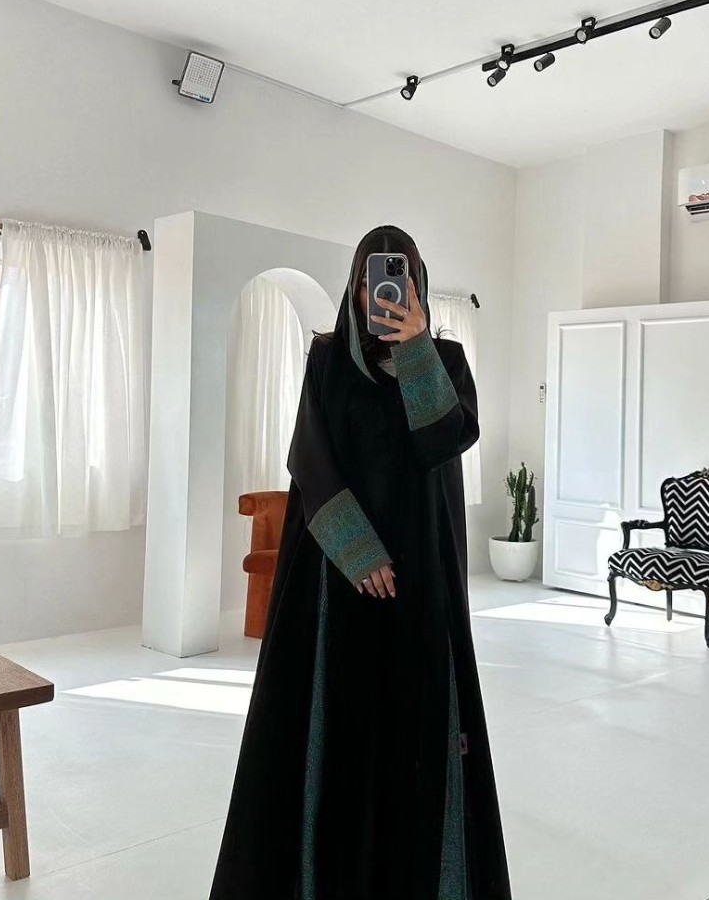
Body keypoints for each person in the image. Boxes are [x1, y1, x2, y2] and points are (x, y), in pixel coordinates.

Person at [208, 226, 512, 900]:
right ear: (355, 285)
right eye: (374, 279)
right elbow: (308, 457)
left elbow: (444, 440)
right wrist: (356, 548)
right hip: (339, 581)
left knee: (416, 733)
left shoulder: (447, 359)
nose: (386, 294)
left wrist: (417, 348)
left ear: (418, 285)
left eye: (399, 279)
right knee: (338, 735)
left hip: (420, 581)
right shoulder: (326, 360)